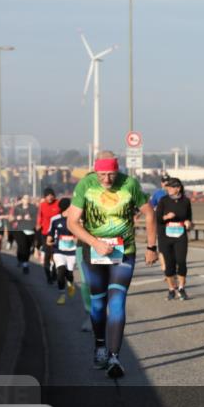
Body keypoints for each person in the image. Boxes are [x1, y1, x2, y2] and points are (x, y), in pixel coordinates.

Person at [65, 152, 157, 378]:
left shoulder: (130, 184)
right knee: (98, 303)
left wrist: (152, 247)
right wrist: (95, 242)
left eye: (111, 174)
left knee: (117, 301)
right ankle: (99, 346)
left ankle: (115, 357)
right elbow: (72, 222)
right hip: (93, 251)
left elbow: (149, 213)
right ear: (95, 171)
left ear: (118, 171)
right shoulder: (85, 185)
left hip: (123, 251)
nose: (107, 179)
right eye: (102, 175)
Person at [155, 177, 193, 300]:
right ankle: (171, 289)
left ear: (178, 188)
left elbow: (189, 217)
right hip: (165, 236)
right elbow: (158, 218)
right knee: (169, 264)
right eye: (167, 187)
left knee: (181, 261)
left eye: (171, 187)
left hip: (180, 235)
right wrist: (166, 217)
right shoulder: (163, 200)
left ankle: (181, 288)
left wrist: (188, 222)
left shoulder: (186, 201)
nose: (168, 189)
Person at [47, 198, 78, 305]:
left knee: (69, 273)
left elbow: (80, 233)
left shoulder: (75, 219)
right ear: (67, 207)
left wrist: (77, 239)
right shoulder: (55, 220)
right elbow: (51, 233)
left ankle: (70, 283)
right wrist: (49, 240)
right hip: (58, 250)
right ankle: (62, 295)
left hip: (72, 251)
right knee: (61, 271)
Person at [37, 188, 62, 283]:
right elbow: (40, 218)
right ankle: (48, 277)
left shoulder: (58, 203)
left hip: (57, 233)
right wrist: (38, 228)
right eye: (47, 195)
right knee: (47, 254)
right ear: (45, 197)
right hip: (45, 233)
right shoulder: (42, 205)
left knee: (56, 254)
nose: (50, 197)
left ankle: (54, 272)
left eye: (51, 195)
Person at [9, 195, 38, 274]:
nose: (27, 200)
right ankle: (25, 265)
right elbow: (10, 218)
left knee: (27, 248)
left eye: (28, 198)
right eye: (25, 198)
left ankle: (22, 259)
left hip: (30, 230)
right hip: (19, 230)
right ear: (22, 200)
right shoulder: (17, 208)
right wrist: (16, 217)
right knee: (23, 246)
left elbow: (37, 219)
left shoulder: (33, 208)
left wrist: (31, 218)